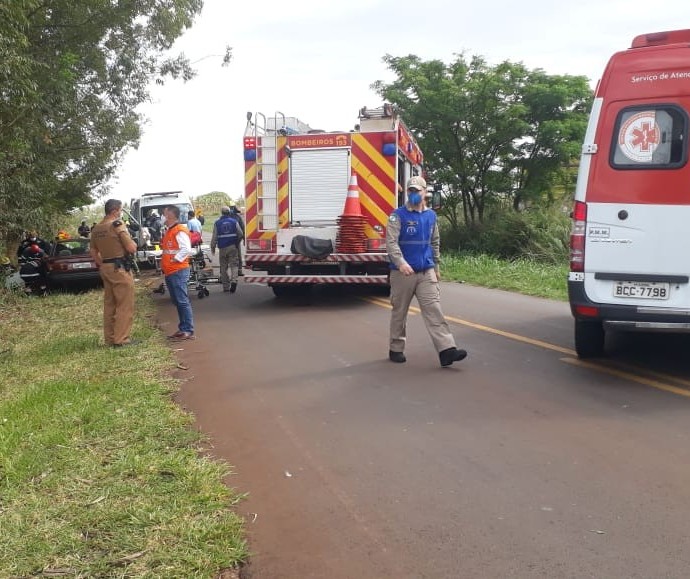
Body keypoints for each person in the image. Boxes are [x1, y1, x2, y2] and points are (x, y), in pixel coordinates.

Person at [386, 176, 467, 367]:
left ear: (425, 193)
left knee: (434, 310)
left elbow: (435, 242)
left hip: (426, 271)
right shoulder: (397, 216)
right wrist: (401, 263)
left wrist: (436, 267)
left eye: (417, 191)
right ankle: (396, 348)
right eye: (410, 191)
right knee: (400, 312)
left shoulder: (431, 216)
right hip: (403, 273)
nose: (413, 194)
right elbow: (391, 243)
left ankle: (447, 350)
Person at [89, 199, 138, 347]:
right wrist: (134, 243)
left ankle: (110, 339)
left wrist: (101, 263)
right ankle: (122, 339)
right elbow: (131, 248)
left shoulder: (96, 228)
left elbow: (92, 251)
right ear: (115, 211)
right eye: (120, 210)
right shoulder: (117, 225)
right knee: (124, 304)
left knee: (110, 305)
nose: (120, 213)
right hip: (119, 268)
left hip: (106, 267)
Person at [161, 204, 195, 340]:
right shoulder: (170, 230)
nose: (162, 216)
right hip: (171, 271)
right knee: (177, 301)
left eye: (164, 213)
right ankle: (183, 328)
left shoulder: (179, 230)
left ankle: (187, 330)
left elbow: (186, 249)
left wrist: (175, 259)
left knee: (181, 301)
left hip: (178, 270)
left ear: (170, 215)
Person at [211, 206, 244, 293]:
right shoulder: (234, 222)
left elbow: (214, 237)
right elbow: (240, 234)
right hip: (232, 247)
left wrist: (213, 247)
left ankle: (226, 286)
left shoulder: (217, 223)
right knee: (234, 265)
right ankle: (234, 281)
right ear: (229, 212)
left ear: (222, 213)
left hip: (222, 248)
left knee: (223, 267)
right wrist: (237, 243)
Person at [229, 204, 245, 276]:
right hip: (236, 240)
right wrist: (244, 239)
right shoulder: (238, 217)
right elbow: (243, 228)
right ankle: (239, 271)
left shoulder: (224, 218)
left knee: (226, 257)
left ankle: (223, 273)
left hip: (227, 241)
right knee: (238, 256)